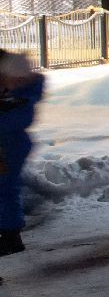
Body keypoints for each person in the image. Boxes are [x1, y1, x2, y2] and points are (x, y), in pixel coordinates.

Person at [0, 49, 45, 256]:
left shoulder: (20, 97)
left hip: (10, 146)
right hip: (8, 145)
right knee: (8, 188)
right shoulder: (13, 94)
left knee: (6, 189)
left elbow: (14, 122)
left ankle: (11, 237)